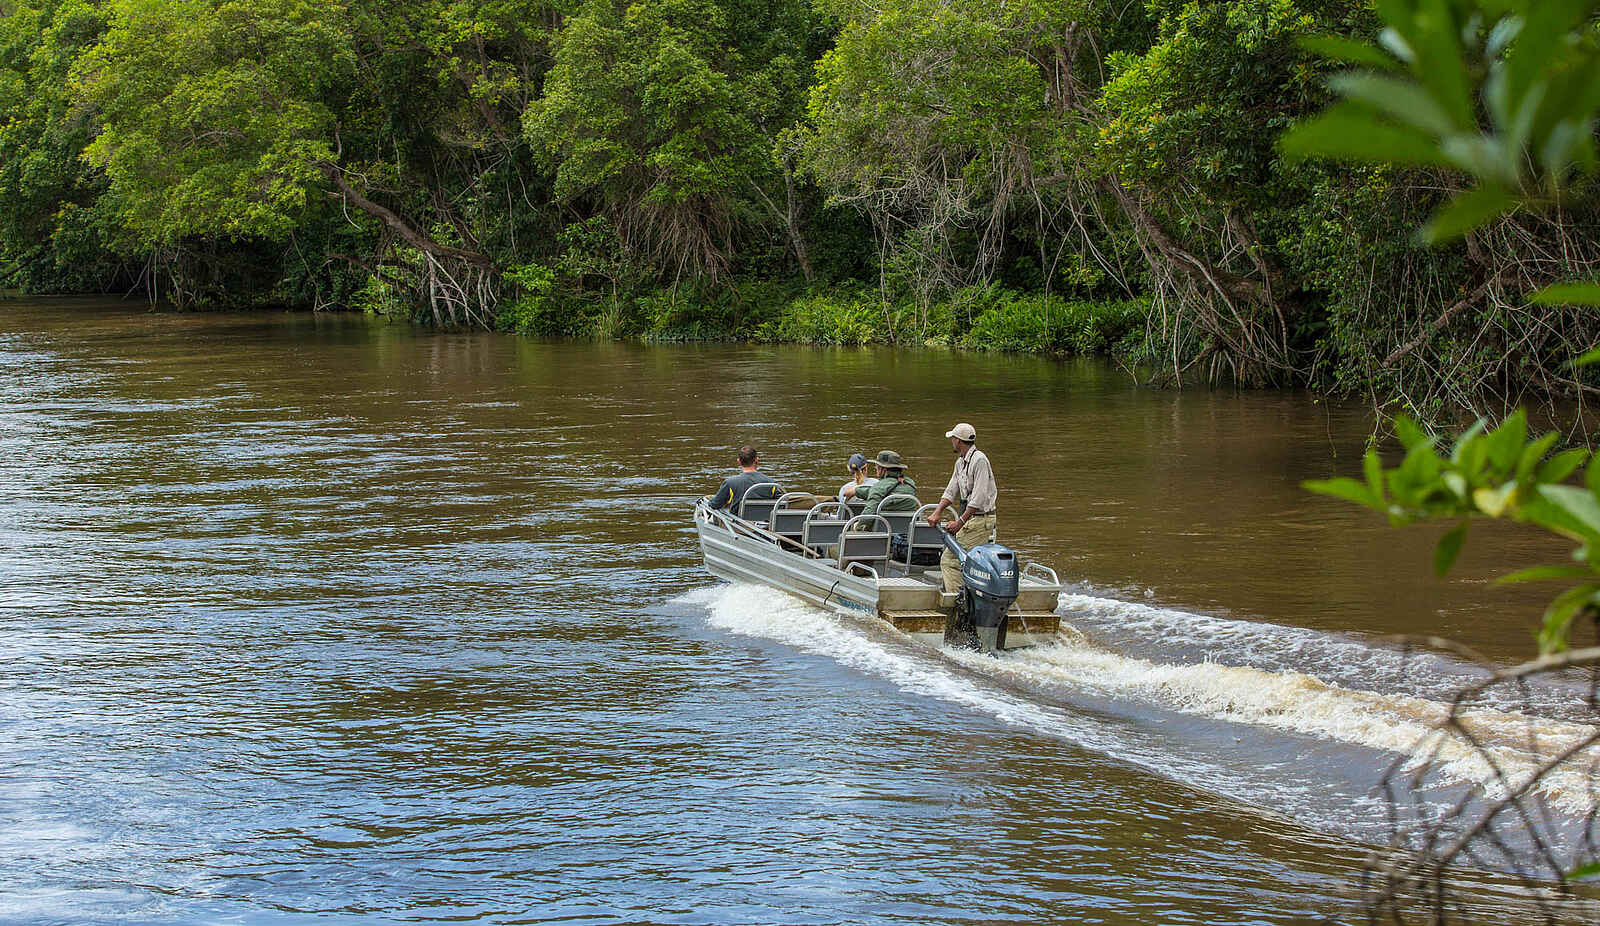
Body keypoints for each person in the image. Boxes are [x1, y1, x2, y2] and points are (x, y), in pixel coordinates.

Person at [925, 422, 997, 593]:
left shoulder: (979, 460)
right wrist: (937, 512)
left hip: (980, 520)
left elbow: (978, 499)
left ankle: (957, 603)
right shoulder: (960, 463)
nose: (952, 442)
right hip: (971, 520)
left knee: (950, 560)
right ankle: (965, 596)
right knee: (963, 559)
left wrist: (960, 522)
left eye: (953, 439)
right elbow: (951, 491)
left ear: (958, 441)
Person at [706, 445, 782, 512]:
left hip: (739, 524)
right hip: (765, 522)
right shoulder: (772, 483)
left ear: (738, 461)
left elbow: (715, 505)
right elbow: (781, 503)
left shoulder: (730, 483)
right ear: (756, 460)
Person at [855, 450, 917, 516]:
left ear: (883, 470)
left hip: (883, 525)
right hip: (907, 525)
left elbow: (869, 512)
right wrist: (857, 491)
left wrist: (858, 525)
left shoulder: (880, 486)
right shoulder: (910, 484)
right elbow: (883, 491)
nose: (875, 468)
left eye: (877, 466)